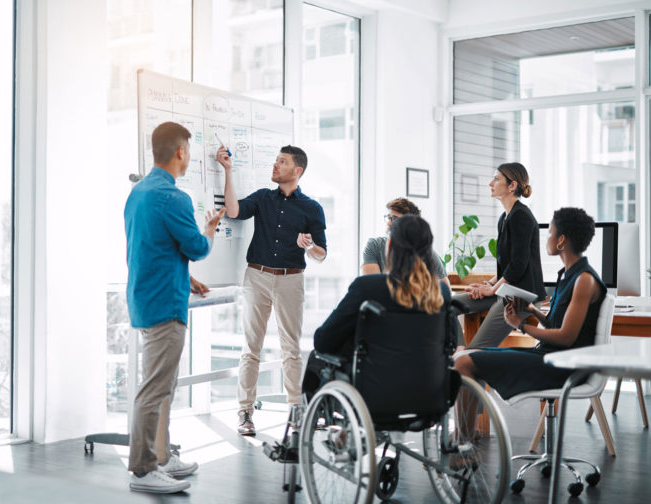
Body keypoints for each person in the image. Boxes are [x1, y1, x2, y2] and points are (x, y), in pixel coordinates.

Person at [125, 122, 225, 494]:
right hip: (165, 304)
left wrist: (189, 280)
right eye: (189, 150)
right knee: (154, 388)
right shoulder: (174, 198)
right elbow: (197, 247)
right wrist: (211, 228)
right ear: (180, 151)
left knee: (161, 386)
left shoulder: (139, 192)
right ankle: (143, 468)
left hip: (147, 296)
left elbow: (154, 248)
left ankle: (162, 457)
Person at [454, 208, 606, 429]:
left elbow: (565, 337)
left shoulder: (584, 279)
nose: (547, 238)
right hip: (548, 356)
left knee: (464, 362)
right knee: (467, 355)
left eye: (550, 232)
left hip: (563, 366)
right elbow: (556, 326)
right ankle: (465, 442)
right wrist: (533, 311)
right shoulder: (568, 274)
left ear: (561, 239)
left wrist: (522, 325)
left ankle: (463, 447)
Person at [216, 144, 327, 436]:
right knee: (251, 348)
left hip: (292, 279)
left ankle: (297, 412)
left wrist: (310, 246)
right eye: (276, 161)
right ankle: (245, 412)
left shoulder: (312, 208)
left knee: (291, 349)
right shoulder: (264, 198)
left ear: (297, 170)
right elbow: (234, 210)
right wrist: (228, 170)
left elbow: (321, 253)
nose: (275, 166)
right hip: (257, 277)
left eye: (282, 162)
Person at [302, 215, 454, 399]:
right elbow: (449, 344)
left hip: (375, 392)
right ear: (429, 252)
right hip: (428, 392)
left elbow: (323, 341)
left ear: (389, 246)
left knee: (317, 357)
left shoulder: (367, 287)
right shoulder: (441, 293)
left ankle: (304, 421)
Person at [453, 162, 545, 348]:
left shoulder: (521, 217)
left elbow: (518, 265)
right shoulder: (505, 217)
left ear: (512, 186)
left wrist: (493, 290)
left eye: (496, 179)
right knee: (445, 304)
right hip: (505, 290)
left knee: (476, 351)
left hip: (521, 296)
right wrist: (490, 284)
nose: (490, 183)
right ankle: (458, 353)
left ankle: (466, 361)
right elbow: (507, 265)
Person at [361, 197, 450, 289]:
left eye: (394, 219)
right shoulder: (374, 246)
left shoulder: (425, 251)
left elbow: (445, 290)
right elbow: (374, 288)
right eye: (389, 218)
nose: (388, 223)